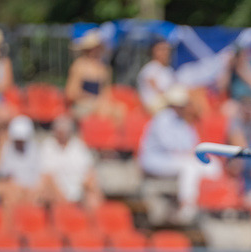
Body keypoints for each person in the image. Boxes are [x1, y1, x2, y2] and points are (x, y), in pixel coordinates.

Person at [138, 84, 221, 224]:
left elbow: (193, 146)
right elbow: (169, 146)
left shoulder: (185, 122)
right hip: (156, 160)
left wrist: (190, 153)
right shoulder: (162, 118)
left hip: (177, 159)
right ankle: (187, 206)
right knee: (189, 167)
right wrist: (188, 153)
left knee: (212, 163)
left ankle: (212, 201)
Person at [38, 115, 103, 210]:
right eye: (59, 131)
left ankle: (95, 222)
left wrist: (87, 187)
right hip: (56, 192)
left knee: (93, 195)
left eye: (64, 131)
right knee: (46, 191)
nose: (62, 133)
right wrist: (62, 197)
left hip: (79, 192)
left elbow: (89, 172)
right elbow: (47, 176)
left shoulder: (79, 146)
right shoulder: (48, 146)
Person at [65, 29, 123, 122]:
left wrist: (104, 101)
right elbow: (71, 93)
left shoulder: (103, 68)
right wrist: (92, 99)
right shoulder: (79, 66)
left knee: (119, 110)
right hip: (81, 104)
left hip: (99, 104)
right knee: (102, 111)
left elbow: (106, 91)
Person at [0, 114, 41, 206]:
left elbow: (39, 174)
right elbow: (3, 174)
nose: (20, 143)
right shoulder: (6, 148)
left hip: (31, 189)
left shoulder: (34, 149)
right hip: (14, 189)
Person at [137, 39, 176, 115]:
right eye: (162, 49)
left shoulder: (168, 70)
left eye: (167, 49)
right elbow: (154, 86)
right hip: (154, 106)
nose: (165, 52)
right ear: (153, 51)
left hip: (168, 103)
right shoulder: (151, 68)